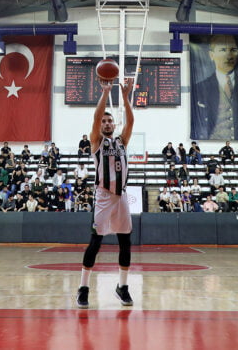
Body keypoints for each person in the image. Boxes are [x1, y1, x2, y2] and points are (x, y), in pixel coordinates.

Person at [76, 76, 136, 309]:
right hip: (102, 195)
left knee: (125, 242)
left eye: (110, 121)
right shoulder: (96, 142)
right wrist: (104, 93)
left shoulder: (122, 140)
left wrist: (125, 97)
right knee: (95, 242)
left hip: (121, 196)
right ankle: (83, 288)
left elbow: (131, 121)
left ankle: (122, 287)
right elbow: (95, 118)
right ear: (100, 126)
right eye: (104, 121)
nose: (107, 123)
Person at [190, 34, 238, 140]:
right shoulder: (199, 88)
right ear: (211, 55)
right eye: (223, 50)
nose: (229, 55)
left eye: (233, 49)